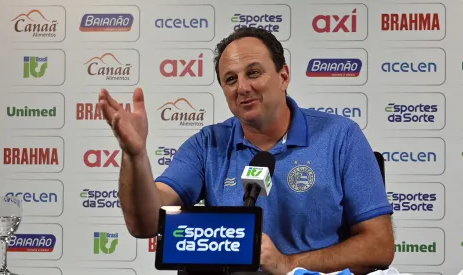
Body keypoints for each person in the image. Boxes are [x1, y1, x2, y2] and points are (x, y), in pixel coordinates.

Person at [99, 27, 395, 275]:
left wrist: (289, 264)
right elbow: (146, 223)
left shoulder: (340, 136)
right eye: (231, 79)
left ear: (283, 76)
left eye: (253, 73)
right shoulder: (207, 144)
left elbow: (379, 246)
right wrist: (134, 155)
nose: (242, 87)